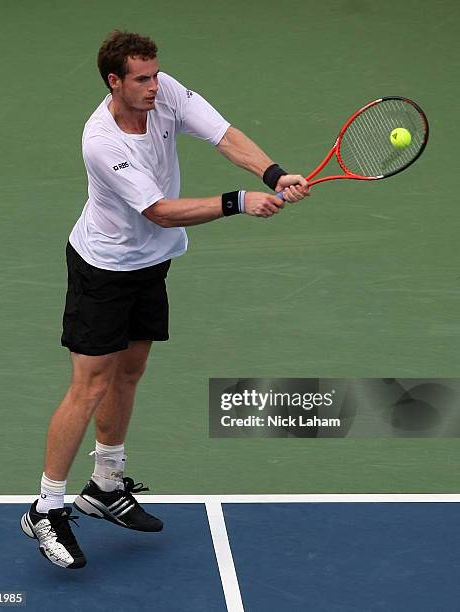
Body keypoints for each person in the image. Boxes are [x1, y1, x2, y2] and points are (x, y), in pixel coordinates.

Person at [20, 30, 310, 569]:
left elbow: (223, 135)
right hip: (103, 269)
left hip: (151, 263)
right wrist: (240, 201)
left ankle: (105, 484)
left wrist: (273, 173)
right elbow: (158, 210)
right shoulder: (102, 141)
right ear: (115, 81)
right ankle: (46, 508)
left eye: (155, 74)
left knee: (129, 373)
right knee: (89, 385)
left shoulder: (166, 92)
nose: (155, 86)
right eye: (142, 79)